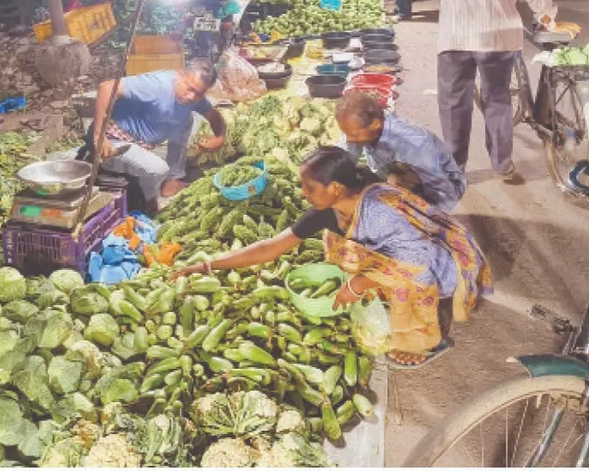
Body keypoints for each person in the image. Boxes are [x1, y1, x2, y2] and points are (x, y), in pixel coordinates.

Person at [173, 147, 491, 368]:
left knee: (398, 281)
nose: (302, 193)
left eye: (308, 187)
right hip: (405, 259)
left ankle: (432, 336)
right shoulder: (333, 210)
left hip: (439, 268)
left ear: (336, 188)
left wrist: (358, 284)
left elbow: (418, 268)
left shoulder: (379, 213)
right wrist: (206, 265)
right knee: (350, 256)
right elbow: (271, 247)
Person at [437, 0, 580, 180]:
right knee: (497, 98)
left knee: (454, 102)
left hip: (454, 33)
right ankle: (501, 163)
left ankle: (454, 167)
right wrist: (548, 18)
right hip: (496, 33)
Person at [91, 60, 226, 212]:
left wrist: (220, 138)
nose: (190, 96)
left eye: (198, 93)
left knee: (186, 119)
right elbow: (106, 87)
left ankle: (172, 180)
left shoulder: (194, 97)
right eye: (190, 88)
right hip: (115, 141)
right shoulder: (157, 85)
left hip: (144, 143)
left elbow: (214, 116)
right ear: (180, 74)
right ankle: (149, 204)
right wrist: (99, 135)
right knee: (158, 169)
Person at [336, 92, 466, 212]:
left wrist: (427, 223)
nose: (348, 139)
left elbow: (444, 196)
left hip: (440, 188)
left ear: (375, 124)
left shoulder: (413, 145)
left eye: (352, 135)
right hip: (393, 176)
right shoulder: (357, 128)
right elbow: (343, 160)